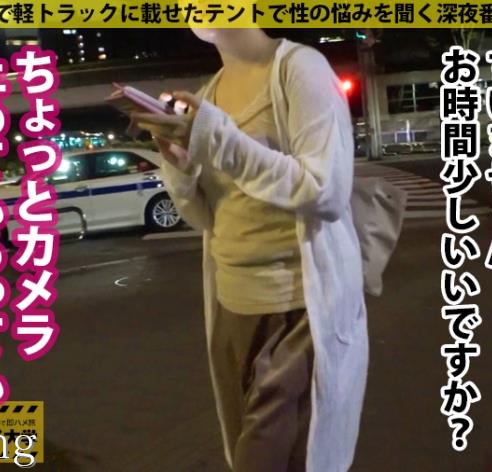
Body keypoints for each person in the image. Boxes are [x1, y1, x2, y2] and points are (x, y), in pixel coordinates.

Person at [131, 28, 368, 472]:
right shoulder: (208, 93)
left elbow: (327, 190)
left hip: (296, 306)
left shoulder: (299, 68)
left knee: (266, 456)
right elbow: (208, 218)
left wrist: (216, 138)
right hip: (232, 305)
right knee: (267, 448)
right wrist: (180, 166)